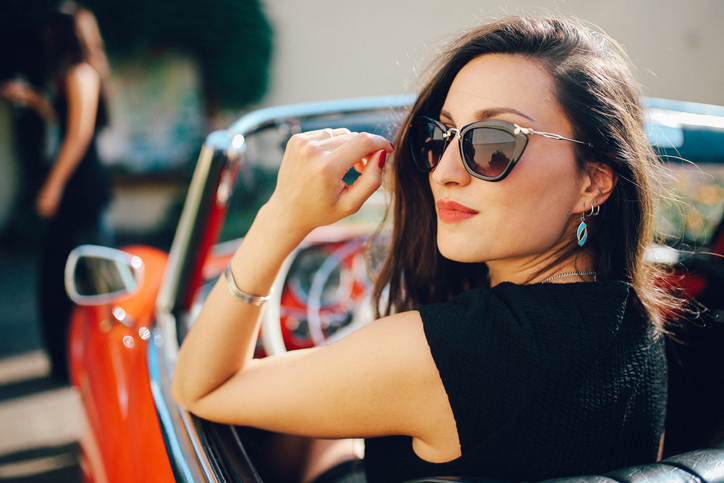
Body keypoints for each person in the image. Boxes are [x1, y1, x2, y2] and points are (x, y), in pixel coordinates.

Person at [172, 15, 678, 483]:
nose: (443, 171)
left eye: (492, 142)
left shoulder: (445, 351)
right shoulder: (638, 325)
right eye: (443, 136)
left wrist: (282, 217)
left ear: (593, 181)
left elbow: (201, 388)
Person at [1, 3, 112, 384]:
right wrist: (34, 101)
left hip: (79, 188)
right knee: (67, 275)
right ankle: (74, 362)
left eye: (50, 33)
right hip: (78, 186)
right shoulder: (73, 75)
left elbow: (77, 135)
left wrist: (53, 185)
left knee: (72, 277)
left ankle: (79, 363)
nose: (45, 39)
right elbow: (64, 122)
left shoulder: (82, 74)